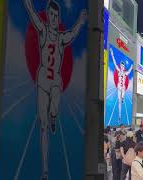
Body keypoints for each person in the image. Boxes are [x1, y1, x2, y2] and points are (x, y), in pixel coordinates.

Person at [23, 0, 87, 179]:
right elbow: (33, 16)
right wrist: (28, 4)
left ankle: (53, 115)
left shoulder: (60, 38)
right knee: (43, 126)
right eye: (50, 14)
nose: (52, 18)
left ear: (58, 18)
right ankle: (44, 169)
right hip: (43, 80)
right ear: (48, 15)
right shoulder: (43, 31)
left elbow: (73, 34)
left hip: (55, 81)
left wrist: (81, 21)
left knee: (54, 106)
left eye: (55, 16)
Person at [109, 47, 133, 125]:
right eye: (121, 66)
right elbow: (115, 63)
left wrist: (132, 67)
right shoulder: (119, 70)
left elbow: (129, 71)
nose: (122, 67)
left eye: (123, 66)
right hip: (119, 86)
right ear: (121, 66)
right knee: (119, 102)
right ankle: (119, 115)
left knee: (122, 94)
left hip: (123, 88)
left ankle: (122, 98)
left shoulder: (125, 73)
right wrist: (112, 54)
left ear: (124, 67)